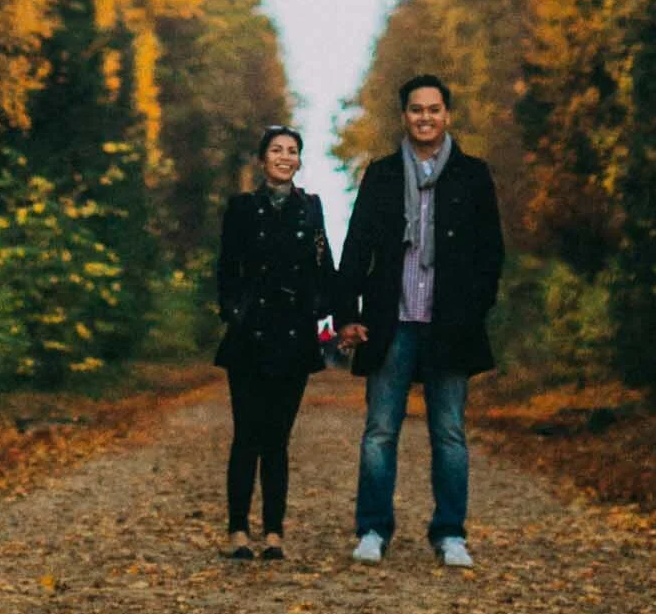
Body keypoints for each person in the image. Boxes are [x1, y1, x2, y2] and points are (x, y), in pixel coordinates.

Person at [335, 73, 504, 568]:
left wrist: (474, 311)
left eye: (434, 109)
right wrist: (348, 314)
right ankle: (372, 530)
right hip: (392, 322)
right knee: (379, 432)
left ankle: (450, 533)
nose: (425, 117)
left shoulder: (473, 175)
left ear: (446, 115)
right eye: (416, 109)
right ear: (403, 116)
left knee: (449, 433)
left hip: (449, 324)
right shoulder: (382, 175)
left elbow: (490, 253)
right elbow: (356, 248)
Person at [215, 124, 335, 562]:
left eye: (292, 151)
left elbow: (326, 266)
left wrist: (323, 309)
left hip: (294, 336)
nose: (285, 157)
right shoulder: (242, 208)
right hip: (249, 336)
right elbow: (226, 268)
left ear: (299, 161)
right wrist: (232, 310)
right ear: (262, 159)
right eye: (276, 150)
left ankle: (274, 532)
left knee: (278, 438)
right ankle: (237, 530)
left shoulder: (312, 210)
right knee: (246, 433)